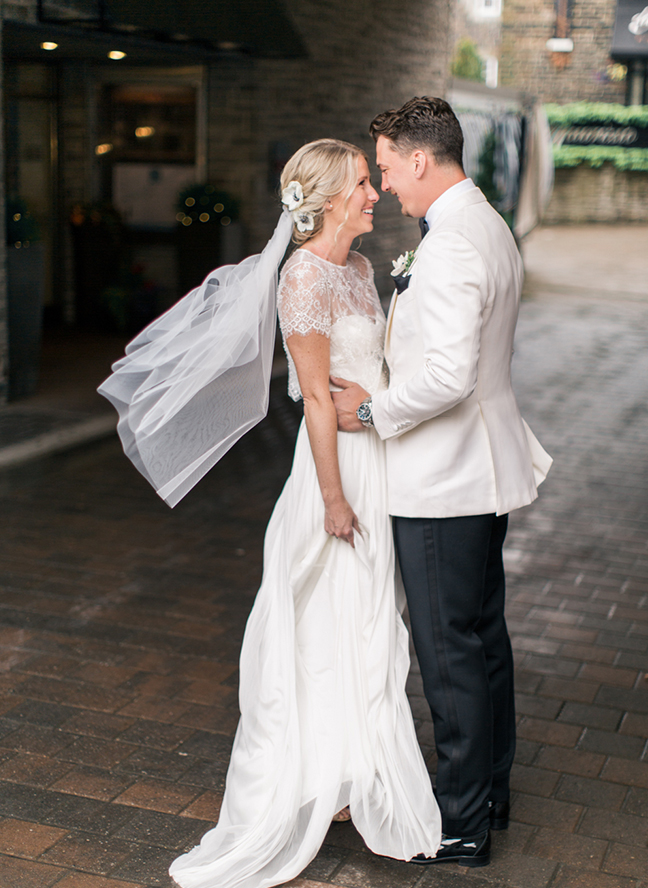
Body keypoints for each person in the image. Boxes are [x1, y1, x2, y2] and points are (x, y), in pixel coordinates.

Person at [168, 138, 441, 888]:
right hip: (337, 474)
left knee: (371, 620)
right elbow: (316, 396)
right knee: (323, 617)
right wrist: (331, 499)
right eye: (363, 183)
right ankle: (314, 774)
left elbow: (371, 378)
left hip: (377, 462)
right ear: (327, 199)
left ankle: (355, 777)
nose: (374, 195)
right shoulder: (303, 278)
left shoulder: (357, 269)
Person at [332, 98, 552, 867]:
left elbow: (450, 376)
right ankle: (489, 792)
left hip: (442, 480)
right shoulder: (483, 223)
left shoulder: (454, 243)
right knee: (482, 639)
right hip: (479, 475)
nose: (387, 185)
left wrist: (370, 410)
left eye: (388, 168)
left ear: (420, 160)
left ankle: (459, 824)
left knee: (449, 651)